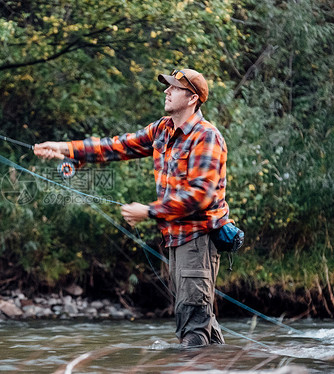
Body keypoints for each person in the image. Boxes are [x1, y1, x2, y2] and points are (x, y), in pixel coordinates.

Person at [33, 68, 230, 347]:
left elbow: (200, 196)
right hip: (176, 240)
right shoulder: (163, 128)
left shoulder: (206, 136)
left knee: (193, 324)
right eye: (168, 86)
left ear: (192, 98)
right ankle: (226, 364)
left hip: (198, 240)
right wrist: (66, 149)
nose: (167, 91)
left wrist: (149, 211)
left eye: (174, 88)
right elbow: (117, 146)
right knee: (199, 322)